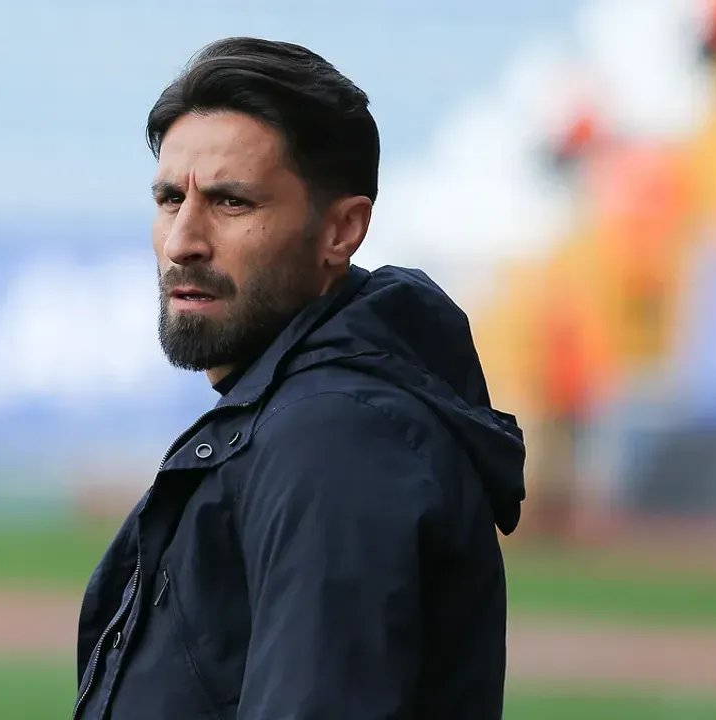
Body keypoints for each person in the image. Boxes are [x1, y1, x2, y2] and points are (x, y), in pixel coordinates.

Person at [74, 37, 526, 719]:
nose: (182, 241)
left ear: (342, 231)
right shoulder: (305, 415)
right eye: (170, 199)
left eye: (231, 202)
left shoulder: (336, 439)